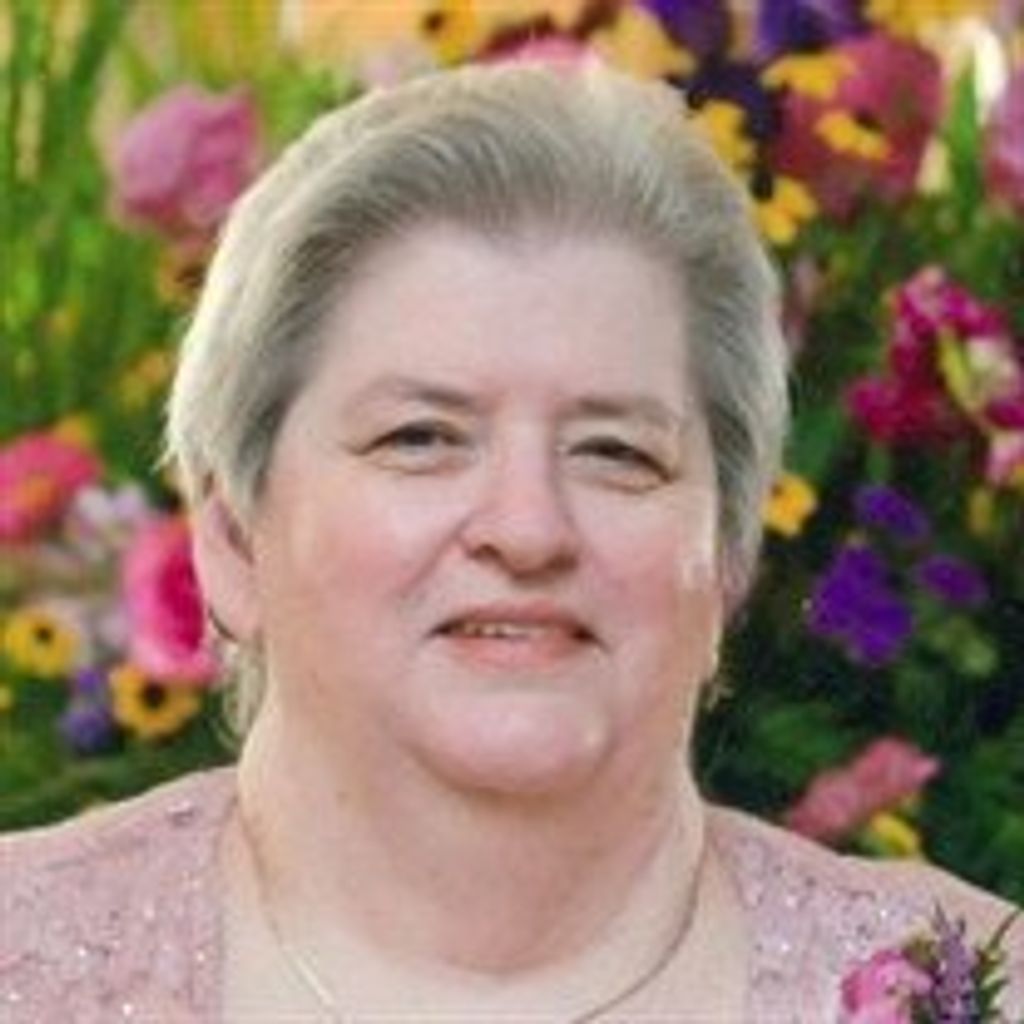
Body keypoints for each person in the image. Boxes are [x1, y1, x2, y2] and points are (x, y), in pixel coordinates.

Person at [1, 60, 1020, 1023]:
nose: (528, 530)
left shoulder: (972, 988)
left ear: (728, 558)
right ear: (230, 538)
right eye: (420, 438)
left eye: (616, 452)